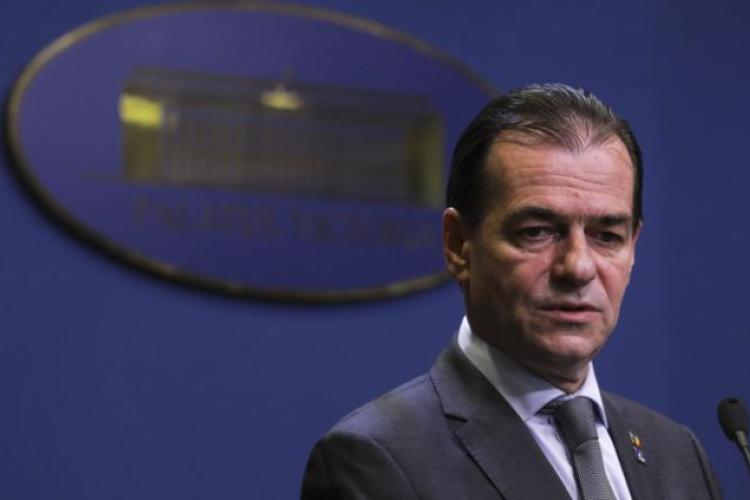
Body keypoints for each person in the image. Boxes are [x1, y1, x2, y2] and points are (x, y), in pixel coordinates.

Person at [300, 84, 722, 499]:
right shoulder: (377, 461)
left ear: (633, 248)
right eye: (536, 232)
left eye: (607, 236)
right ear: (458, 245)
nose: (578, 267)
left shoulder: (679, 455)